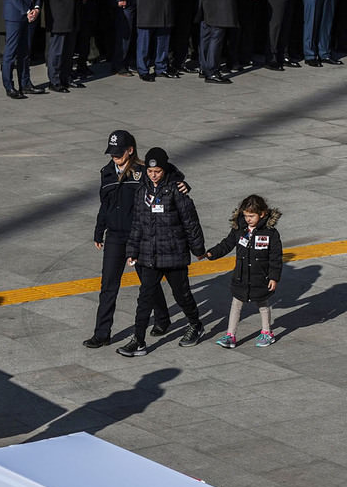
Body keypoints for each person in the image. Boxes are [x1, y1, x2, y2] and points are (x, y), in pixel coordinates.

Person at [87, 130, 190, 348]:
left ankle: (162, 318)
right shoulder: (106, 172)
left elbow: (168, 172)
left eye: (119, 152)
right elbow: (104, 205)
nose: (114, 157)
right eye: (111, 152)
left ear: (130, 150)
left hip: (140, 236)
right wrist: (99, 230)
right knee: (108, 285)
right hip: (114, 236)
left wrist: (182, 183)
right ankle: (102, 333)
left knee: (148, 281)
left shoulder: (143, 171)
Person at [119, 147, 206, 357]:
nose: (153, 175)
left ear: (165, 169)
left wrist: (198, 249)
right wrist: (132, 250)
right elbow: (137, 224)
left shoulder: (177, 190)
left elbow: (190, 222)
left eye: (157, 171)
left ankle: (195, 324)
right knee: (144, 299)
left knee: (182, 294)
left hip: (174, 254)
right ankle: (138, 340)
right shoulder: (142, 191)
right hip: (149, 255)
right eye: (150, 172)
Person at [206, 195, 283, 348]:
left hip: (260, 277)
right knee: (236, 304)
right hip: (241, 276)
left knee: (263, 304)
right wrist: (212, 253)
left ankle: (267, 332)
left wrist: (273, 278)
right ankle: (230, 335)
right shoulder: (239, 229)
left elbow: (275, 258)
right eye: (246, 215)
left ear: (262, 214)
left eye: (251, 216)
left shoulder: (270, 234)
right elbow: (226, 244)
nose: (248, 219)